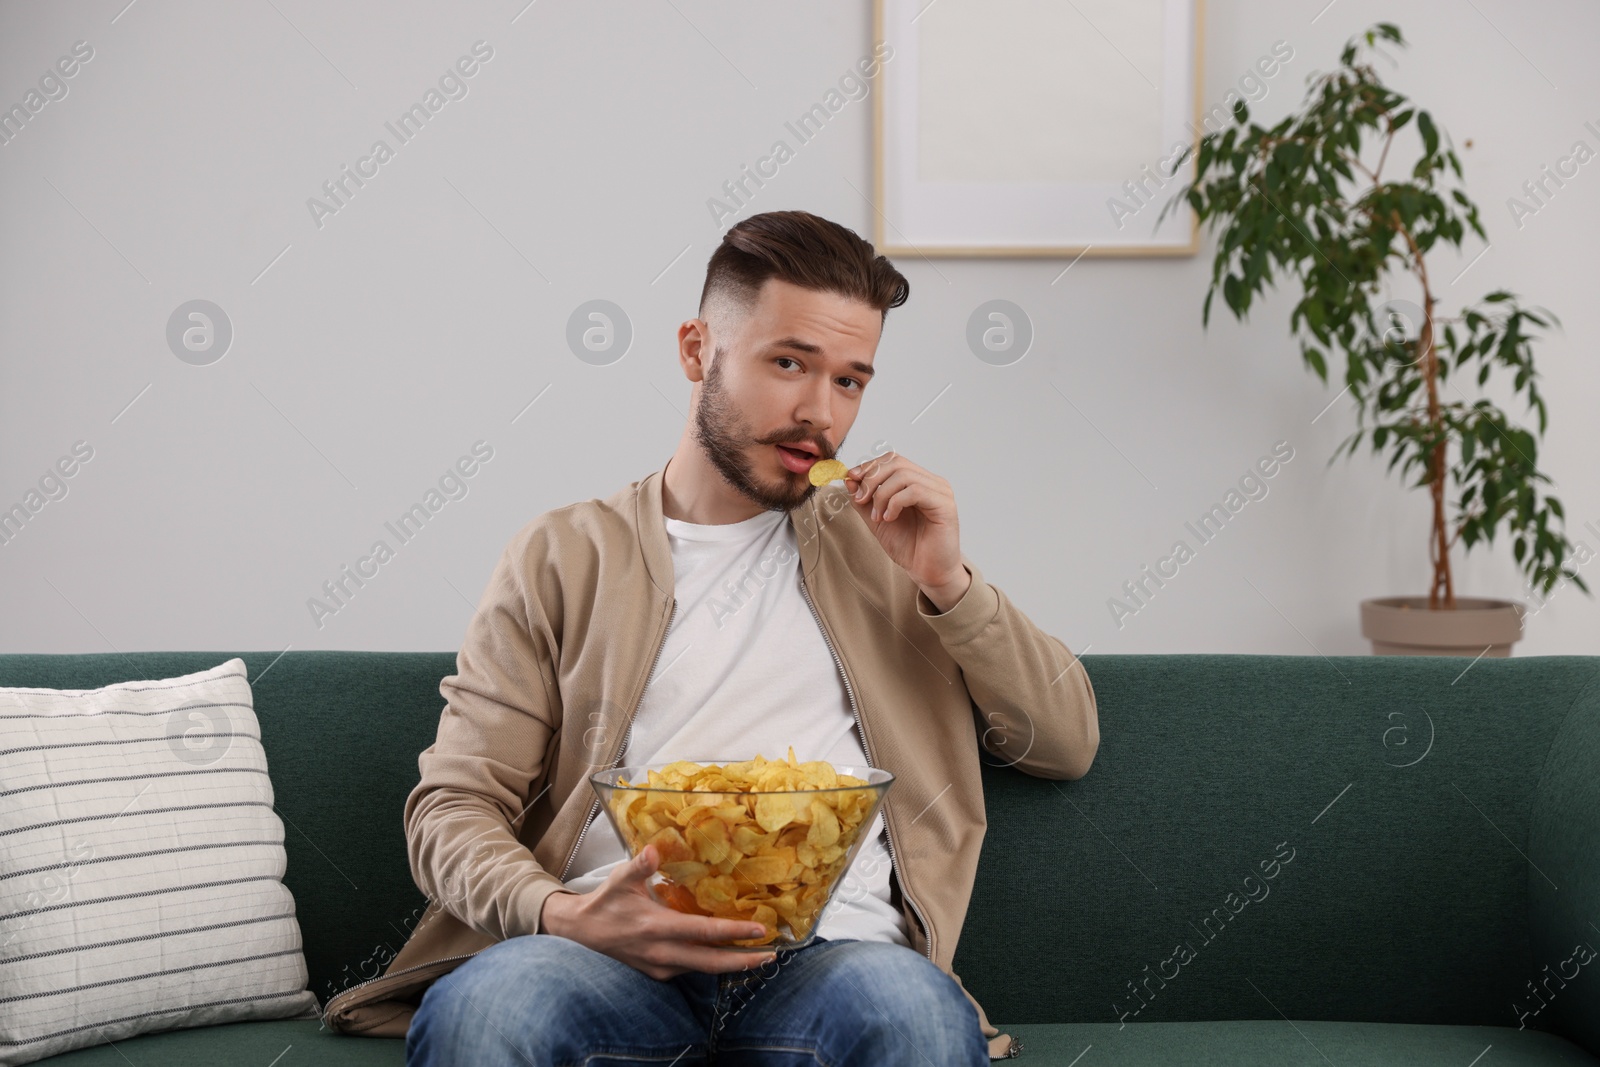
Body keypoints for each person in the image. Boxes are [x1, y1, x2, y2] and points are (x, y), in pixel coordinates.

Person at [322, 210, 1099, 1063]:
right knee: (484, 1013)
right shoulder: (562, 553)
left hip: (834, 965)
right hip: (602, 959)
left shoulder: (893, 551)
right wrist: (562, 913)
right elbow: (452, 807)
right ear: (697, 349)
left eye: (850, 381)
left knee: (914, 1017)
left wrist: (948, 583)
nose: (819, 413)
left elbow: (1063, 743)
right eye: (790, 362)